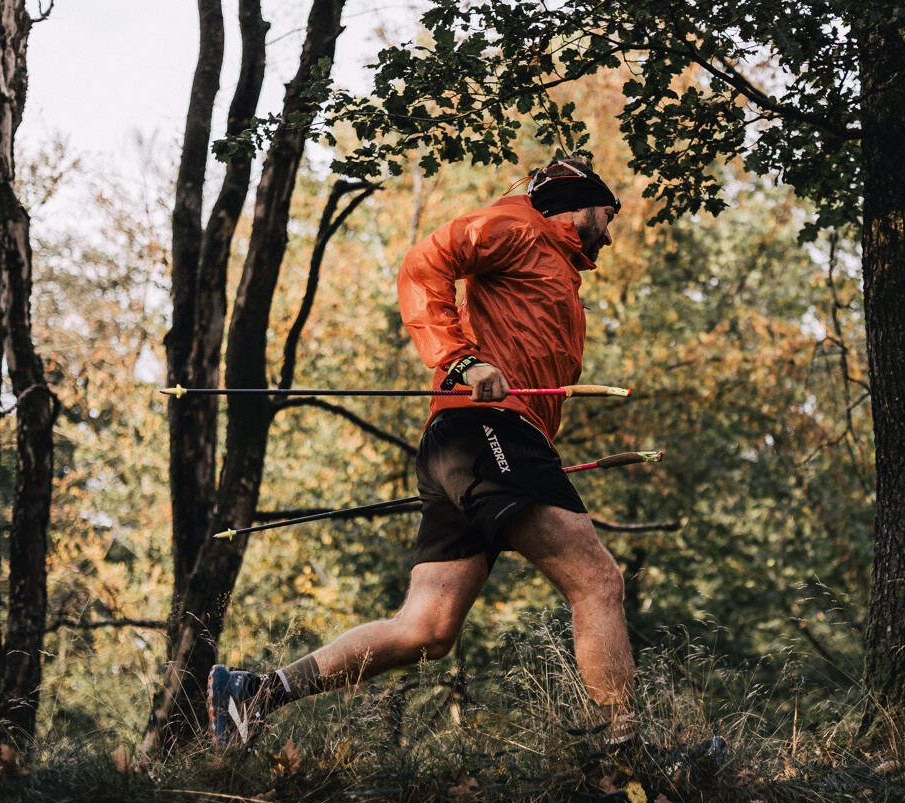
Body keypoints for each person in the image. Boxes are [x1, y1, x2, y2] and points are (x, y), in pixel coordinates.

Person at [207, 158, 638, 753]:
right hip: (486, 427)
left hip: (480, 441)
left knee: (427, 632)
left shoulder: (557, 270)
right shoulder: (512, 228)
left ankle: (258, 693)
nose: (610, 234)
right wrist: (462, 359)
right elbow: (423, 264)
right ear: (580, 201)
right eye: (608, 216)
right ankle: (630, 752)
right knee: (597, 582)